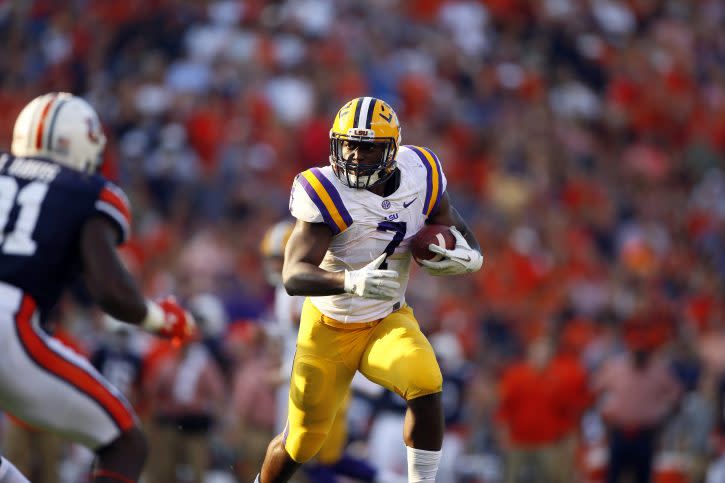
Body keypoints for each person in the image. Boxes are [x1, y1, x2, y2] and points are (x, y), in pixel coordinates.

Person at [255, 96, 484, 483]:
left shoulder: (421, 171)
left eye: (368, 147)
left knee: (427, 384)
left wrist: (472, 256)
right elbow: (293, 275)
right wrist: (351, 280)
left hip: (385, 320)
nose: (357, 156)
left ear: (392, 150)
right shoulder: (324, 190)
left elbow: (452, 224)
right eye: (349, 145)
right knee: (302, 443)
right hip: (328, 327)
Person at [0, 92, 196, 483]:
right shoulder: (87, 190)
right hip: (9, 321)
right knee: (125, 443)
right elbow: (110, 289)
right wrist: (158, 318)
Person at [260, 220, 405, 483]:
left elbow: (316, 338)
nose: (273, 265)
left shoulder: (305, 289)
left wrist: (284, 372)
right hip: (314, 377)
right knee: (317, 457)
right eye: (270, 259)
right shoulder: (290, 290)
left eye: (277, 258)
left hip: (321, 378)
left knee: (308, 456)